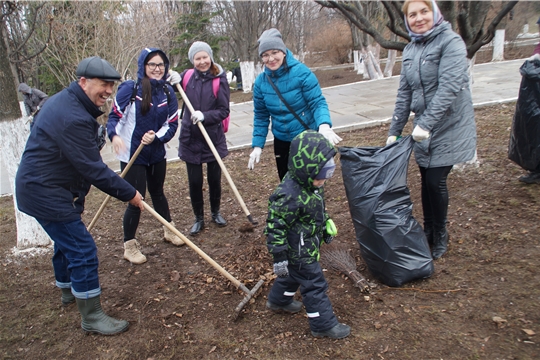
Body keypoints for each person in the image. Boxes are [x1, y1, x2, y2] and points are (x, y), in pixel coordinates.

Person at [15, 56, 144, 335]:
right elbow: (93, 170)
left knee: (65, 243)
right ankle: (92, 316)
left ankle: (67, 291)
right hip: (44, 191)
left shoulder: (70, 103)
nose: (109, 91)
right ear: (83, 82)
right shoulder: (71, 116)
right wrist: (131, 193)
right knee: (82, 249)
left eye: (112, 85)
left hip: (46, 187)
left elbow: (77, 165)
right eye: (104, 84)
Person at [386, 0, 476, 260]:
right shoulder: (411, 49)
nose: (418, 18)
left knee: (436, 181)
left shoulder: (451, 42)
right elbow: (404, 94)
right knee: (425, 181)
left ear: (435, 13)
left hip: (449, 124)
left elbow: (449, 88)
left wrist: (424, 125)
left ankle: (441, 233)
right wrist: (395, 130)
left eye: (424, 11)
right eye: (412, 14)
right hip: (423, 128)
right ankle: (428, 230)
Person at [265, 130, 350, 339]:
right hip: (298, 251)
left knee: (292, 275)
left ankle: (279, 300)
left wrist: (325, 223)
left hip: (306, 245)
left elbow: (316, 209)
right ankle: (322, 324)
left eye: (327, 174)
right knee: (314, 283)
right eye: (321, 176)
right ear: (306, 169)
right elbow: (275, 226)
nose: (323, 181)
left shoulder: (310, 185)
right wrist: (279, 256)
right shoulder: (288, 194)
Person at [107, 48, 182, 265]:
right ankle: (129, 245)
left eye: (160, 65)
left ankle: (169, 230)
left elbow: (172, 123)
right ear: (143, 66)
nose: (157, 69)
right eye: (152, 65)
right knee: (136, 199)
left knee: (158, 192)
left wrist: (156, 137)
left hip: (156, 152)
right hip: (133, 154)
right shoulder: (130, 89)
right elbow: (114, 117)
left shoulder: (167, 91)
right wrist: (114, 137)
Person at [248, 28, 342, 181]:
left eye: (274, 52)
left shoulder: (302, 73)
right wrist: (257, 145)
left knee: (312, 183)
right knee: (287, 184)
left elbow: (317, 102)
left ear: (283, 52)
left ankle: (316, 206)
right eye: (265, 55)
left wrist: (324, 125)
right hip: (282, 141)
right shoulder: (261, 83)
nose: (270, 58)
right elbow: (261, 116)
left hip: (306, 138)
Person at [178, 41, 230, 235]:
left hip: (212, 138)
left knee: (214, 179)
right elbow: (166, 87)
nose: (202, 62)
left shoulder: (219, 79)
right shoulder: (187, 77)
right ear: (193, 60)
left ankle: (215, 212)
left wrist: (205, 116)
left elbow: (224, 110)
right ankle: (198, 218)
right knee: (194, 181)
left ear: (210, 57)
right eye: (197, 58)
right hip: (190, 138)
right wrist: (171, 79)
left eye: (204, 57)